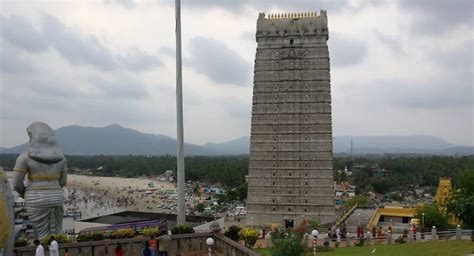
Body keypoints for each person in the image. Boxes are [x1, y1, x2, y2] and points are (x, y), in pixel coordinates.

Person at [13, 122, 68, 239]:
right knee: (57, 230)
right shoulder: (61, 158)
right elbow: (63, 181)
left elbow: (17, 184)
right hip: (57, 196)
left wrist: (26, 193)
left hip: (35, 198)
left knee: (40, 235)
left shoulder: (24, 157)